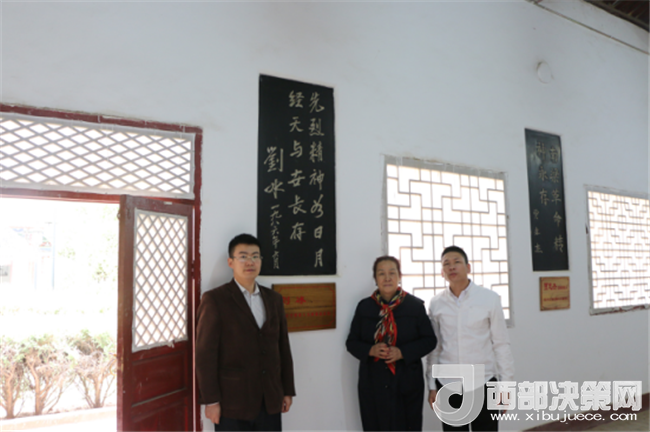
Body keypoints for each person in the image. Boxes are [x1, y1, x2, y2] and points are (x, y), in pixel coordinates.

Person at [196, 234, 295, 431]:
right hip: (232, 403)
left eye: (255, 256)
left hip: (270, 399)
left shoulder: (274, 299)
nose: (250, 262)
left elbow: (283, 347)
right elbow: (205, 354)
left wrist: (287, 390)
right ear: (230, 262)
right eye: (243, 256)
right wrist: (211, 400)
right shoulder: (215, 299)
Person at [426, 246, 514, 431]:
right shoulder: (436, 303)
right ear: (442, 272)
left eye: (457, 262)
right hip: (448, 384)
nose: (452, 267)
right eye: (446, 264)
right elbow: (435, 347)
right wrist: (432, 385)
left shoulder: (489, 299)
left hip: (483, 382)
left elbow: (501, 344)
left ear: (468, 267)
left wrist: (506, 387)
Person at [346, 256, 437, 431]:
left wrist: (403, 352)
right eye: (381, 273)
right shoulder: (364, 307)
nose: (387, 278)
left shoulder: (414, 306)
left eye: (392, 273)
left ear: (399, 276)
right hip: (373, 383)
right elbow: (351, 343)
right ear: (375, 278)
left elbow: (429, 340)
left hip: (407, 382)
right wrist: (370, 350)